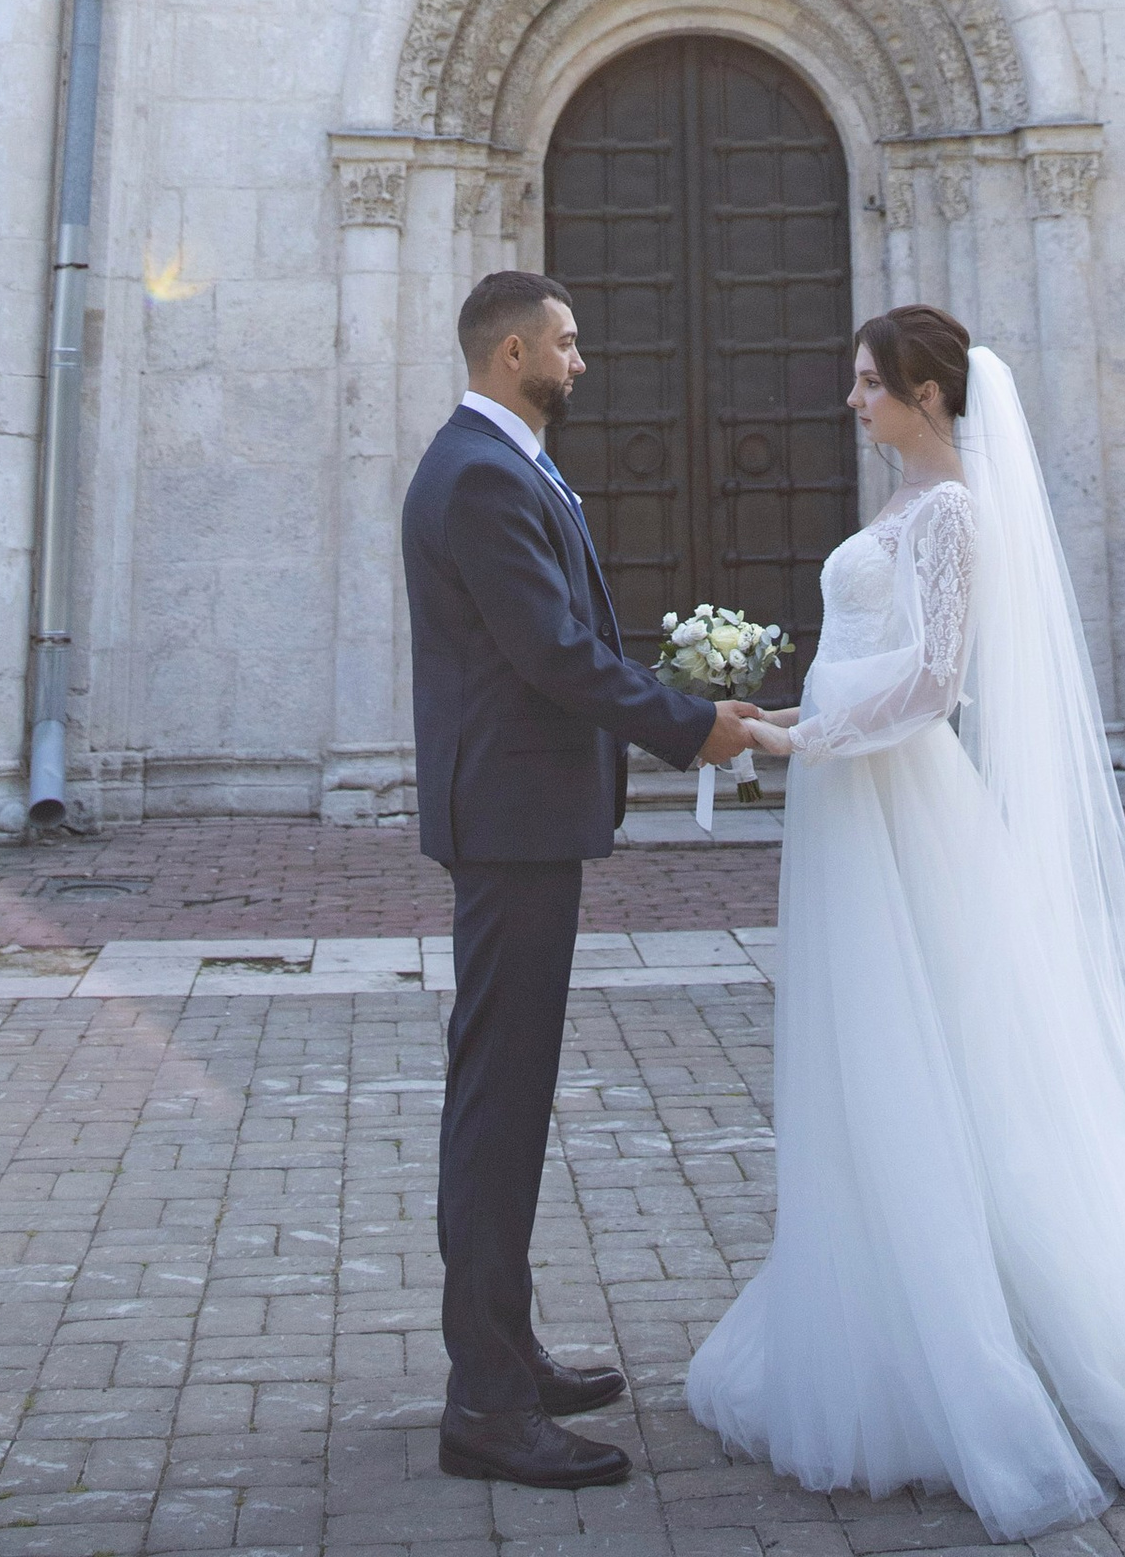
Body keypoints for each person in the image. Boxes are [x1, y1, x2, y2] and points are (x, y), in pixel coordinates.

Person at [687, 304, 1125, 1534]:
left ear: (928, 396)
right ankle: (882, 1306)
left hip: (897, 796)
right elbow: (876, 646)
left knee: (930, 1042)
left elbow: (935, 677)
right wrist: (787, 721)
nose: (851, 400)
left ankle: (989, 1347)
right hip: (852, 794)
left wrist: (803, 735)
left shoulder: (951, 510)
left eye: (867, 382)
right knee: (869, 1047)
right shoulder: (906, 502)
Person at [402, 270, 757, 1491]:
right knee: (497, 1102)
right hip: (508, 819)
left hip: (524, 816)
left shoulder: (508, 463)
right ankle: (486, 1404)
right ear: (512, 353)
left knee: (507, 1092)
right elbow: (550, 651)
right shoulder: (480, 474)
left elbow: (564, 636)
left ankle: (505, 1353)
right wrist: (689, 726)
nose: (580, 360)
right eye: (564, 341)